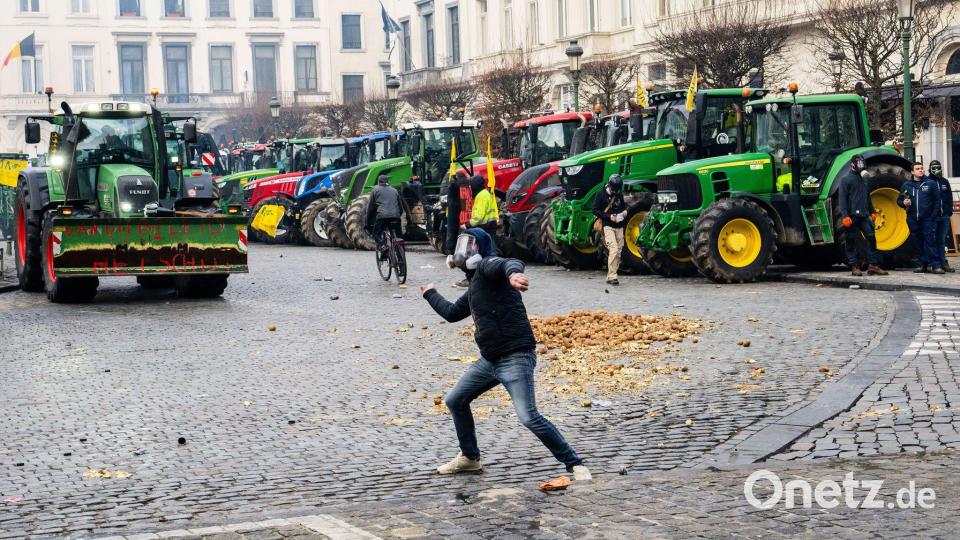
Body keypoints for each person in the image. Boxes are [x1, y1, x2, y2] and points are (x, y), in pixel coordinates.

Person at [420, 228, 591, 480]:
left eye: (470, 244)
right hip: (490, 360)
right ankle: (469, 458)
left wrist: (513, 274)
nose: (464, 250)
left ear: (480, 249)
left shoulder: (487, 265)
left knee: (528, 416)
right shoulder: (475, 285)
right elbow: (452, 313)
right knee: (455, 400)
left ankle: (574, 464)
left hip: (515, 357)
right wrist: (430, 294)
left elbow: (507, 263)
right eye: (462, 244)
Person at [838, 155, 888, 276]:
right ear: (852, 164)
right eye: (858, 163)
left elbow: (867, 197)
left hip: (865, 216)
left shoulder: (864, 179)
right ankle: (854, 266)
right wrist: (845, 216)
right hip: (851, 216)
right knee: (851, 240)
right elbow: (842, 199)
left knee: (871, 238)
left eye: (862, 163)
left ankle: (873, 265)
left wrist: (872, 211)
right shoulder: (845, 180)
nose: (861, 165)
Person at [898, 162, 943, 274]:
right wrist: (904, 203)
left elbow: (937, 201)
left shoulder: (931, 183)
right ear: (912, 172)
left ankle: (936, 265)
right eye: (918, 169)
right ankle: (923, 264)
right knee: (917, 243)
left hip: (928, 219)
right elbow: (899, 200)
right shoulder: (906, 185)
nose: (921, 170)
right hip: (913, 219)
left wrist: (933, 216)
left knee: (930, 242)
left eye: (922, 168)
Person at [592, 174, 628, 286]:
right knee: (613, 248)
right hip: (608, 225)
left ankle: (612, 274)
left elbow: (623, 205)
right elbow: (595, 210)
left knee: (619, 251)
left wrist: (625, 211)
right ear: (610, 186)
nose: (617, 192)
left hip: (619, 225)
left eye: (618, 190)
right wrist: (609, 217)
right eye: (615, 190)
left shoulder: (619, 193)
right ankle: (612, 276)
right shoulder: (601, 194)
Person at [366, 175, 403, 260]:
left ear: (378, 182)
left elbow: (370, 208)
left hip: (382, 217)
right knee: (399, 237)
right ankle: (401, 258)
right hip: (396, 216)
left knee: (375, 233)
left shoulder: (375, 190)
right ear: (388, 182)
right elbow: (401, 208)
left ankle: (383, 246)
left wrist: (367, 222)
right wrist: (397, 216)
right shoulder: (394, 190)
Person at [930, 160, 955, 273]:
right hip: (933, 217)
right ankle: (934, 263)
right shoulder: (927, 181)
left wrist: (949, 212)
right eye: (934, 168)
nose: (936, 170)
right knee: (932, 240)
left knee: (941, 240)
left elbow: (949, 198)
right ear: (930, 169)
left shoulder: (945, 181)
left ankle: (943, 261)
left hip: (944, 216)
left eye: (938, 167)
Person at [469, 175, 499, 240]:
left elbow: (478, 217)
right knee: (490, 242)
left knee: (488, 244)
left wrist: (468, 224)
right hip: (490, 224)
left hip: (486, 226)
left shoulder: (481, 196)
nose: (470, 188)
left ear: (475, 186)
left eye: (471, 186)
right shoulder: (484, 193)